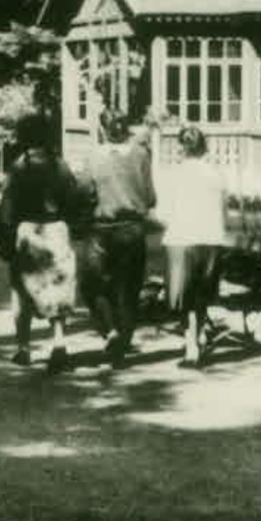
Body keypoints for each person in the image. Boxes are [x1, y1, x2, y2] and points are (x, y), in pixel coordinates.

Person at [0, 113, 92, 374]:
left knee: (23, 289)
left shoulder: (19, 167)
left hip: (29, 231)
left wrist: (6, 234)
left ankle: (24, 348)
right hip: (57, 230)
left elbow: (7, 206)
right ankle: (59, 342)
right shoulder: (60, 165)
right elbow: (74, 199)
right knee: (57, 288)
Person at [79, 110, 157, 366]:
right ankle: (121, 345)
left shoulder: (93, 156)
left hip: (101, 229)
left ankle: (110, 330)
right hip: (132, 230)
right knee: (129, 289)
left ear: (103, 130)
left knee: (92, 284)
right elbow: (150, 198)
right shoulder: (141, 154)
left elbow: (85, 192)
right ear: (126, 130)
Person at [155, 124, 228, 368]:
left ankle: (192, 347)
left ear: (181, 148)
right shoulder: (216, 174)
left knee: (183, 298)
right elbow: (223, 211)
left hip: (182, 239)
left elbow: (163, 213)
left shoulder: (173, 174)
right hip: (211, 239)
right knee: (201, 293)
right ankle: (200, 336)